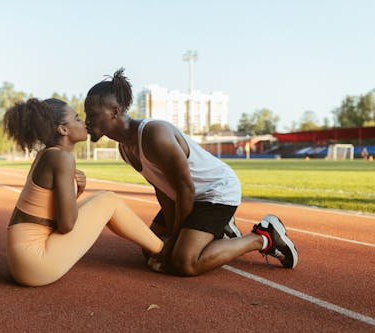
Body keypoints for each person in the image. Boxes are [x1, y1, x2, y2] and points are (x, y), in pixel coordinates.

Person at [84, 68, 298, 276]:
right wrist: (168, 237)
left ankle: (263, 237)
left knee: (184, 263)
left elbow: (186, 189)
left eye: (92, 114)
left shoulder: (154, 134)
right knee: (150, 248)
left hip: (216, 192)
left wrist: (175, 239)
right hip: (188, 197)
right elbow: (164, 190)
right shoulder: (125, 148)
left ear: (115, 111)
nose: (87, 121)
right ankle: (218, 231)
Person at [3, 97, 163, 287]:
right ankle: (163, 253)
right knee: (108, 201)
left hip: (21, 261)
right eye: (77, 118)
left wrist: (78, 192)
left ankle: (156, 248)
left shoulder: (46, 155)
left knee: (101, 197)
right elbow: (66, 225)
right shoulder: (62, 158)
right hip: (35, 263)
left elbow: (49, 212)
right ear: (63, 129)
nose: (84, 122)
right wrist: (75, 194)